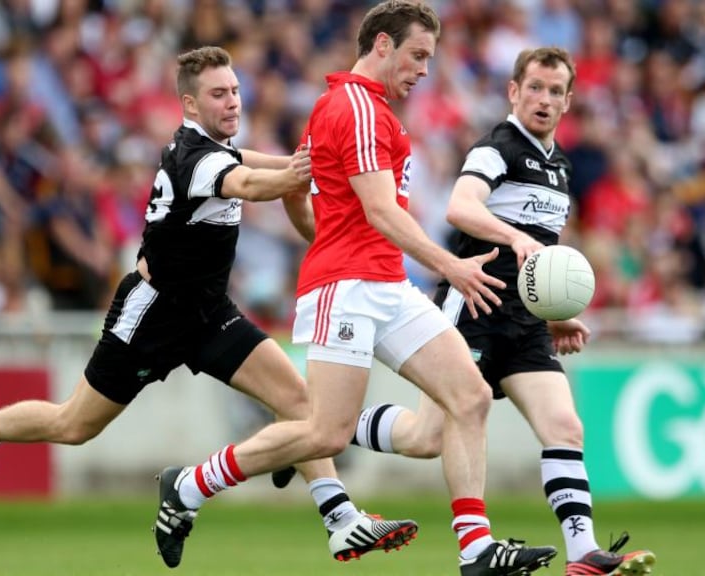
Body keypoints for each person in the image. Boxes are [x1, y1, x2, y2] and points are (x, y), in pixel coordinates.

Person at [0, 46, 416, 569]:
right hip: (152, 314)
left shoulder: (219, 149)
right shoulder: (193, 158)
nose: (233, 103)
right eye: (219, 95)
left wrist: (303, 164)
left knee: (300, 402)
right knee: (73, 425)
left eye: (236, 91)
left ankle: (341, 520)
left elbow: (260, 164)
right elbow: (251, 182)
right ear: (190, 106)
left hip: (208, 313)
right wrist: (305, 174)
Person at [161, 3, 559, 575]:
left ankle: (476, 551)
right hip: (346, 289)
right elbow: (377, 209)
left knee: (468, 399)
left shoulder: (363, 109)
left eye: (430, 58)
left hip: (385, 281)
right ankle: (191, 484)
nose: (424, 69)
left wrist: (329, 237)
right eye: (417, 55)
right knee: (325, 431)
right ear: (380, 45)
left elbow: (307, 197)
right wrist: (449, 265)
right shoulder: (354, 107)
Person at [296, 47, 658, 576]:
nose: (544, 99)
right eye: (534, 87)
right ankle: (323, 427)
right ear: (514, 91)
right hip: (475, 306)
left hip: (526, 322)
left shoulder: (559, 167)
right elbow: (460, 207)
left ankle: (583, 554)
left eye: (555, 91)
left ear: (568, 102)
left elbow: (539, 261)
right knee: (426, 439)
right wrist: (514, 238)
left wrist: (553, 310)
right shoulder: (498, 147)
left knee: (565, 426)